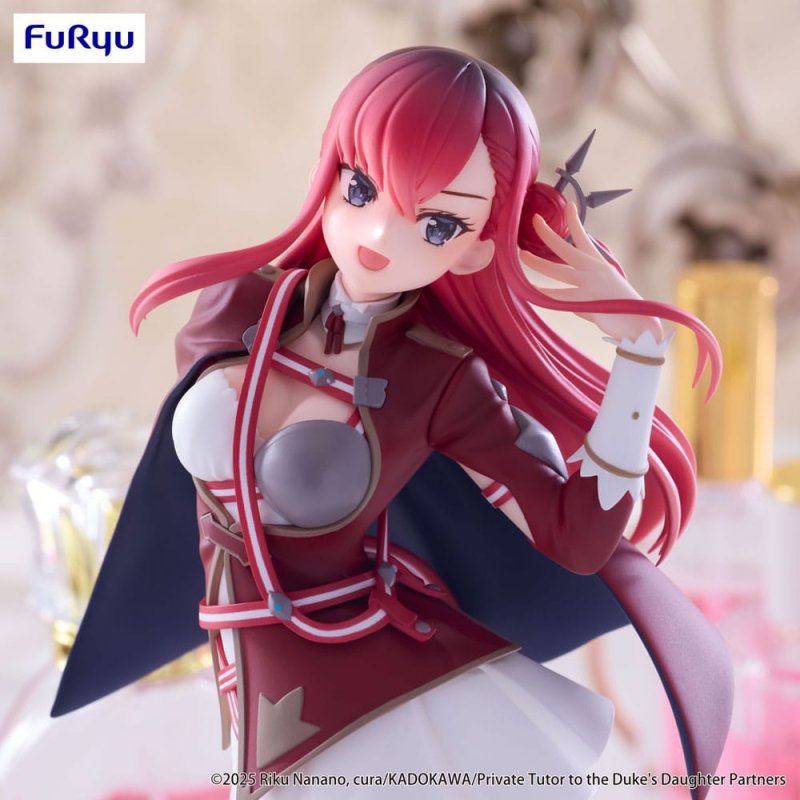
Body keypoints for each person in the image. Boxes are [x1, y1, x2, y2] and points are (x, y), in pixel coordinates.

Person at [54, 47, 732, 799]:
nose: (379, 236)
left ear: (477, 249)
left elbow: (578, 537)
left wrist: (639, 355)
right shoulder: (238, 305)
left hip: (373, 686)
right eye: (362, 187)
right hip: (247, 672)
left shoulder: (438, 379)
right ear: (328, 171)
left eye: (437, 224)